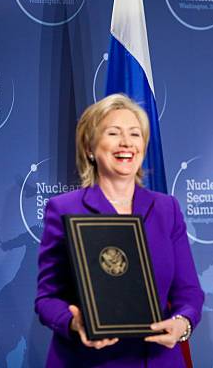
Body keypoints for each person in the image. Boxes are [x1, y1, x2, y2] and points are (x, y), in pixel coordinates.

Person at [35, 94, 204, 367]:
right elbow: (47, 298)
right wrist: (74, 322)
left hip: (157, 359)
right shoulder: (64, 209)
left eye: (135, 134)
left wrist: (182, 323)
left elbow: (189, 293)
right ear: (90, 147)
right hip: (88, 360)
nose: (127, 143)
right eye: (114, 133)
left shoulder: (166, 209)